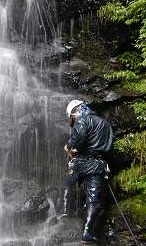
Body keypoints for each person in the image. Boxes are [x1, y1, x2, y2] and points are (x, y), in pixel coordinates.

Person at [58, 100, 114, 244]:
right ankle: (87, 232)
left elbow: (81, 134)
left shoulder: (83, 118)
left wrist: (69, 145)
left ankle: (63, 210)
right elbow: (102, 144)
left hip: (83, 163)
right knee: (93, 200)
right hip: (98, 166)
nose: (74, 121)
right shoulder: (105, 125)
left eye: (73, 118)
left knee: (67, 183)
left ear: (77, 110)